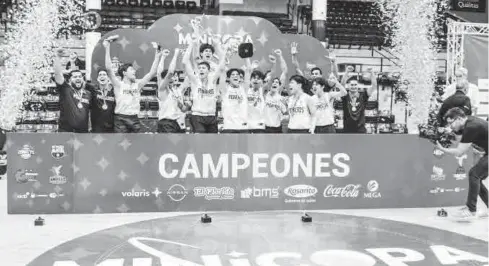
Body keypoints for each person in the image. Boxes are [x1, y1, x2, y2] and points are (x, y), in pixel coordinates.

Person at [436, 107, 488, 221]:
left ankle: (471, 210)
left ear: (459, 118)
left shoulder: (471, 127)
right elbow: (463, 140)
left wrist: (442, 148)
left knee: (474, 174)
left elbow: (459, 151)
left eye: (451, 123)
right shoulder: (468, 122)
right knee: (477, 177)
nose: (451, 126)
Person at [103, 37, 162, 133]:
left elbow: (152, 73)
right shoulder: (118, 84)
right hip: (121, 119)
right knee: (121, 146)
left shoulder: (138, 85)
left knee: (135, 146)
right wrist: (107, 47)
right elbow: (109, 69)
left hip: (135, 118)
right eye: (131, 70)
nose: (134, 71)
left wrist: (157, 56)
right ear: (124, 73)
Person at [183, 31, 227, 134]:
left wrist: (218, 46)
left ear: (209, 70)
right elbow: (187, 60)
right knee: (199, 140)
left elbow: (222, 66)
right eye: (200, 68)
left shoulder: (214, 74)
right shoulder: (195, 77)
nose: (201, 69)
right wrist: (193, 42)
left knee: (212, 143)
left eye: (204, 68)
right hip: (197, 113)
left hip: (211, 113)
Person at [53, 48, 94, 133]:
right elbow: (58, 74)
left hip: (83, 133)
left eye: (80, 77)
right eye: (75, 77)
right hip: (66, 132)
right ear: (69, 80)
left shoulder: (88, 94)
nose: (78, 78)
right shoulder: (66, 89)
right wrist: (57, 57)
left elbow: (90, 113)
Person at [156, 48, 188, 133]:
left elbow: (189, 75)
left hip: (179, 124)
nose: (175, 77)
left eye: (177, 76)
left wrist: (186, 57)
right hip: (166, 123)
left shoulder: (178, 90)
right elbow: (163, 73)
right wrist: (166, 56)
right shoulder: (162, 89)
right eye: (174, 76)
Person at [340, 67, 377, 133]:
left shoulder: (364, 95)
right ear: (348, 86)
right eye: (351, 85)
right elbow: (342, 84)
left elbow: (374, 86)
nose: (353, 86)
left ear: (358, 86)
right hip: (347, 130)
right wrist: (346, 72)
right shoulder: (345, 95)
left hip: (360, 130)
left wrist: (372, 72)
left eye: (355, 85)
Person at [220, 67, 250, 133]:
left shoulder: (244, 89)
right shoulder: (225, 89)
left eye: (237, 75)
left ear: (240, 78)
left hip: (243, 127)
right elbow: (222, 78)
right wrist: (225, 65)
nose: (235, 76)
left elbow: (248, 74)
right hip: (229, 127)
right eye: (232, 75)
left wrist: (246, 58)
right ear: (228, 78)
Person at [90, 68, 115, 133]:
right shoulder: (93, 89)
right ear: (97, 79)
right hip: (97, 126)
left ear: (108, 78)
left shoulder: (114, 91)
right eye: (100, 75)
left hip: (111, 125)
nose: (102, 76)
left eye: (104, 74)